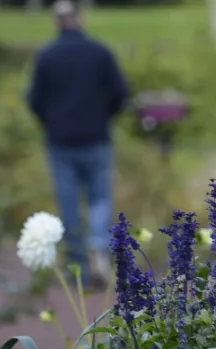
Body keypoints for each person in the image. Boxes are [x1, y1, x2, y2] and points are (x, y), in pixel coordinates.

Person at [27, 0, 130, 288]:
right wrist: (104, 115)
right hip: (96, 135)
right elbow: (120, 92)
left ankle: (77, 266)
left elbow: (34, 100)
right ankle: (99, 247)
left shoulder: (47, 56)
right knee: (99, 197)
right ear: (80, 19)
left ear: (54, 22)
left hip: (61, 140)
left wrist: (50, 120)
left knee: (68, 200)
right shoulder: (100, 52)